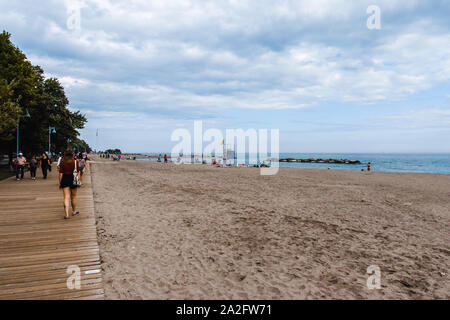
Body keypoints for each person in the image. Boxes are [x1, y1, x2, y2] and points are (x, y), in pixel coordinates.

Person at [59, 150, 80, 220]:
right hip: (73, 179)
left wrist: (60, 182)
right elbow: (78, 172)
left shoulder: (62, 162)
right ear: (72, 155)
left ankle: (67, 214)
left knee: (66, 197)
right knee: (73, 196)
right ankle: (74, 211)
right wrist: (78, 181)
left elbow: (60, 174)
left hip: (65, 179)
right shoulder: (75, 162)